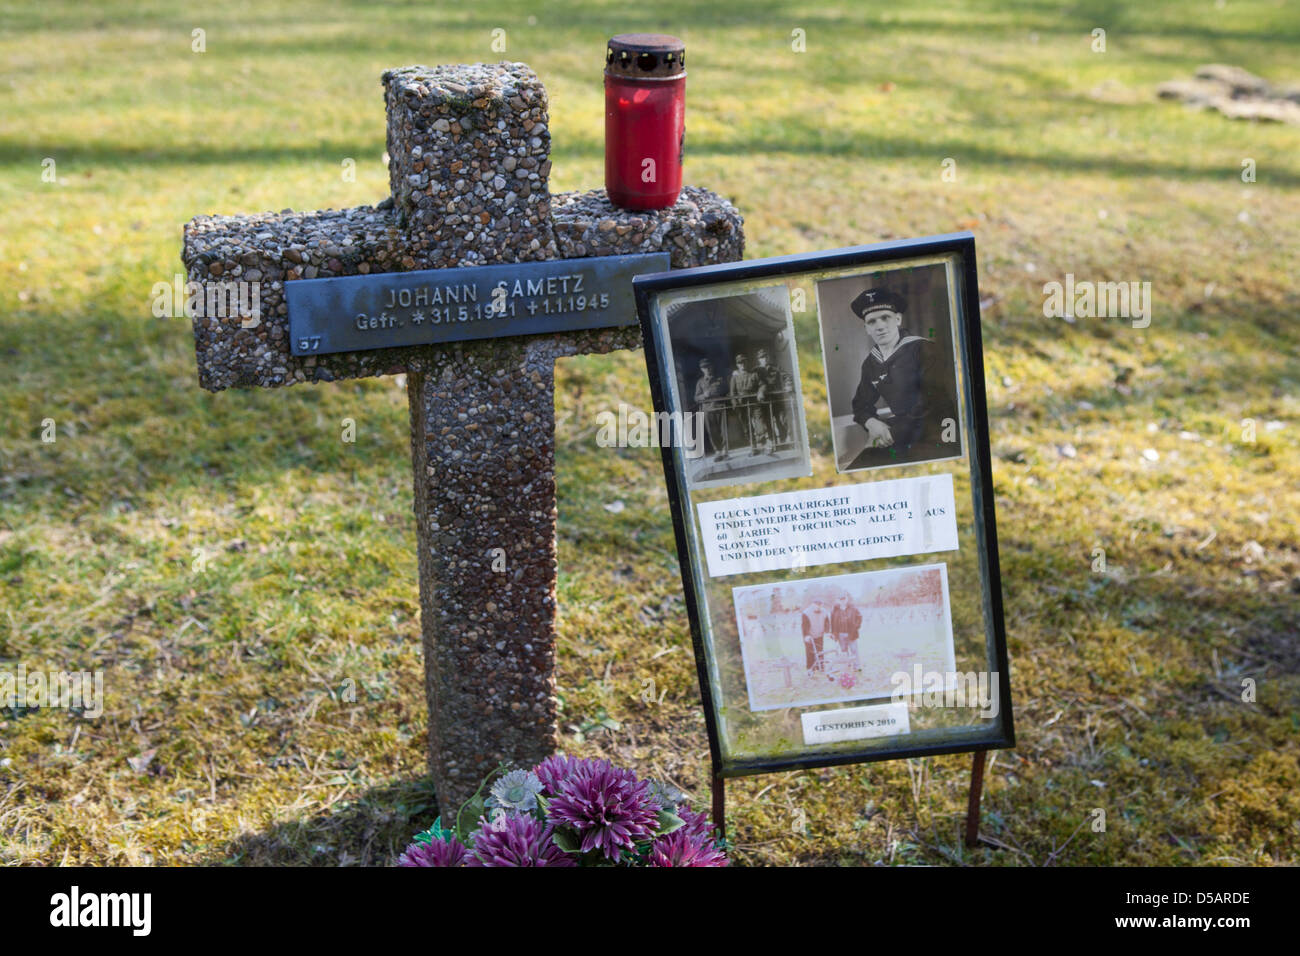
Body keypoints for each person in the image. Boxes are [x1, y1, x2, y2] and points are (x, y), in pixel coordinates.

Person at [846, 288, 956, 470]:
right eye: (872, 321)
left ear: (898, 319)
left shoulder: (923, 349)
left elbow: (932, 404)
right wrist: (872, 423)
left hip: (936, 434)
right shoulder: (870, 363)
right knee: (856, 470)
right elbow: (860, 405)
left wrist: (888, 433)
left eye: (885, 317)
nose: (880, 326)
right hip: (899, 435)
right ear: (866, 328)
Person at [729, 353, 772, 455]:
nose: (742, 365)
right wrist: (735, 403)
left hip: (754, 402)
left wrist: (761, 392)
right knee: (747, 427)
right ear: (737, 365)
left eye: (744, 362)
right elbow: (732, 393)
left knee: (760, 424)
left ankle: (763, 445)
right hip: (742, 405)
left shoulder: (754, 374)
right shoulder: (734, 377)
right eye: (740, 363)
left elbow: (762, 385)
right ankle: (753, 447)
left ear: (747, 363)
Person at [752, 346, 790, 446]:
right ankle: (773, 442)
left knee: (781, 420)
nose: (763, 359)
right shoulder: (755, 371)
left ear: (768, 357)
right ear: (758, 359)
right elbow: (751, 382)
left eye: (765, 357)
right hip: (764, 401)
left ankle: (783, 441)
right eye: (761, 357)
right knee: (768, 422)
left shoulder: (775, 367)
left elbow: (786, 376)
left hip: (777, 399)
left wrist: (788, 385)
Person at [693, 357, 729, 461]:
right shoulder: (700, 382)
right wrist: (704, 395)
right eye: (704, 368)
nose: (707, 369)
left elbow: (727, 391)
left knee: (723, 431)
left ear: (712, 367)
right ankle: (718, 451)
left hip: (720, 407)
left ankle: (725, 451)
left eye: (708, 367)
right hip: (708, 410)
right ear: (701, 369)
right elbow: (696, 397)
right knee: (712, 432)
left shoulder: (720, 379)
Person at [830, 593, 863, 669]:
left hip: (851, 633)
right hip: (840, 634)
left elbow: (859, 617)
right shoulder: (834, 610)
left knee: (854, 650)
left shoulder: (853, 608)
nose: (842, 601)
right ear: (838, 600)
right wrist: (833, 633)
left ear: (847, 599)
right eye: (840, 599)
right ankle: (847, 665)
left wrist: (856, 627)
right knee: (844, 651)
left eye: (844, 599)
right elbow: (832, 622)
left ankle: (857, 666)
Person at [801, 599, 832, 678]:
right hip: (809, 636)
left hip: (819, 635)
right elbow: (804, 626)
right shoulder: (806, 613)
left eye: (820, 606)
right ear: (813, 605)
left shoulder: (824, 612)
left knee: (820, 651)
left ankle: (820, 667)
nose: (819, 607)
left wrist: (827, 632)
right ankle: (810, 669)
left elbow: (827, 623)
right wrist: (807, 635)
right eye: (817, 606)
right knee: (810, 652)